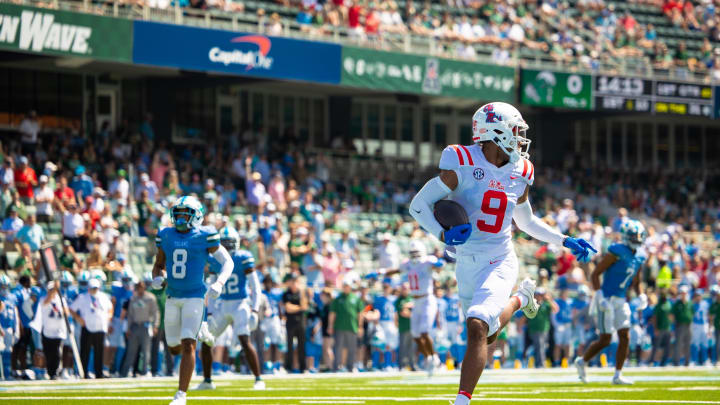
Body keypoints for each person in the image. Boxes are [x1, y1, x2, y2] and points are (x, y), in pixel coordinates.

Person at [408, 102, 596, 405]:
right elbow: (418, 205)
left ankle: (461, 401)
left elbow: (525, 221)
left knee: (477, 325)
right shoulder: (461, 160)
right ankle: (522, 298)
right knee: (489, 334)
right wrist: (442, 234)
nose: (520, 138)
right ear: (495, 132)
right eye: (515, 130)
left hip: (499, 260)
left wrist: (565, 240)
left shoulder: (520, 170)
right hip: (466, 263)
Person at [151, 196, 233, 405]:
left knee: (188, 344)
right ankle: (202, 329)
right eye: (177, 213)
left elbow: (227, 262)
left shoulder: (204, 235)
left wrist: (220, 283)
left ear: (195, 216)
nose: (179, 218)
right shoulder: (166, 235)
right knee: (173, 347)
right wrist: (157, 277)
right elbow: (159, 263)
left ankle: (181, 395)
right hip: (172, 296)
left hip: (195, 296)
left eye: (184, 213)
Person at [575, 220, 647, 385]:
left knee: (625, 335)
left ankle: (618, 375)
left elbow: (636, 281)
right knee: (605, 339)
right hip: (605, 298)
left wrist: (641, 294)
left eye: (638, 236)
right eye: (633, 236)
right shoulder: (617, 251)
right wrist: (599, 295)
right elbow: (595, 274)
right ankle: (582, 360)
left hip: (621, 299)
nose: (637, 239)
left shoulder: (640, 255)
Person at [197, 227, 264, 390]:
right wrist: (210, 313)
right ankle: (207, 381)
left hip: (240, 303)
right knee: (207, 341)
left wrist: (255, 310)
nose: (226, 248)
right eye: (224, 244)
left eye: (229, 244)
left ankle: (258, 379)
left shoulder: (243, 257)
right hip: (222, 304)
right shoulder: (215, 259)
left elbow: (255, 287)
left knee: (244, 339)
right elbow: (211, 288)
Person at [383, 240, 444, 375]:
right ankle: (429, 357)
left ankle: (434, 358)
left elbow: (438, 267)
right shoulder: (407, 264)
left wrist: (440, 264)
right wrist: (381, 272)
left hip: (427, 299)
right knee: (415, 334)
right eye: (412, 253)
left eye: (416, 252)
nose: (414, 255)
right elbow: (396, 270)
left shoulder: (428, 261)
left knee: (423, 331)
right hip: (416, 302)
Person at [69, 278, 113, 379]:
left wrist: (108, 318)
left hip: (100, 328)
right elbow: (71, 309)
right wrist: (78, 318)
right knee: (85, 352)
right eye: (92, 288)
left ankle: (99, 374)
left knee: (99, 352)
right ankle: (83, 373)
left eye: (96, 288)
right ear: (88, 288)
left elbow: (110, 308)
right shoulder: (82, 297)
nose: (94, 290)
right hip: (87, 327)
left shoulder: (103, 297)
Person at [29, 281, 68, 380]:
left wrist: (64, 310)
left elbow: (66, 312)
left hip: (59, 331)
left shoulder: (61, 299)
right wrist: (54, 290)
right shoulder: (43, 299)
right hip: (47, 330)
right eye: (50, 290)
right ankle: (49, 371)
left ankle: (54, 372)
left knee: (56, 353)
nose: (53, 291)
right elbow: (47, 301)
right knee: (48, 352)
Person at [120, 281, 159, 378]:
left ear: (145, 288)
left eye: (142, 287)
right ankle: (125, 373)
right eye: (139, 287)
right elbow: (130, 315)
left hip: (146, 326)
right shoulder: (133, 298)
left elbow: (155, 313)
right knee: (131, 351)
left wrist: (155, 325)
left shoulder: (150, 298)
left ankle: (145, 371)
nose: (140, 289)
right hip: (135, 326)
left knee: (146, 350)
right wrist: (128, 328)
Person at [328, 278, 364, 372]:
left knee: (352, 348)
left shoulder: (356, 298)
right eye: (344, 286)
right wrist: (330, 325)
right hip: (339, 326)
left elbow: (360, 314)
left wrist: (360, 326)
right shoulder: (338, 299)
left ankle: (350, 366)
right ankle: (337, 367)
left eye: (347, 286)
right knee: (338, 347)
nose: (346, 288)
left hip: (352, 327)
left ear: (350, 287)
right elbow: (332, 313)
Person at [282, 274, 308, 373]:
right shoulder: (286, 294)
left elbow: (305, 306)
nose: (294, 284)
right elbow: (288, 308)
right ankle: (289, 367)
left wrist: (301, 293)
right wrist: (299, 308)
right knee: (289, 345)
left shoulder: (302, 293)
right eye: (292, 281)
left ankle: (303, 368)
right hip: (290, 323)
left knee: (302, 346)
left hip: (301, 322)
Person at [690, 289, 710, 365]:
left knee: (705, 343)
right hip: (696, 324)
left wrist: (708, 327)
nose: (698, 297)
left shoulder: (706, 304)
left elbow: (708, 315)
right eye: (697, 295)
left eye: (699, 295)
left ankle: (705, 360)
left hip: (704, 324)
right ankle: (694, 360)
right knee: (695, 343)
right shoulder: (692, 304)